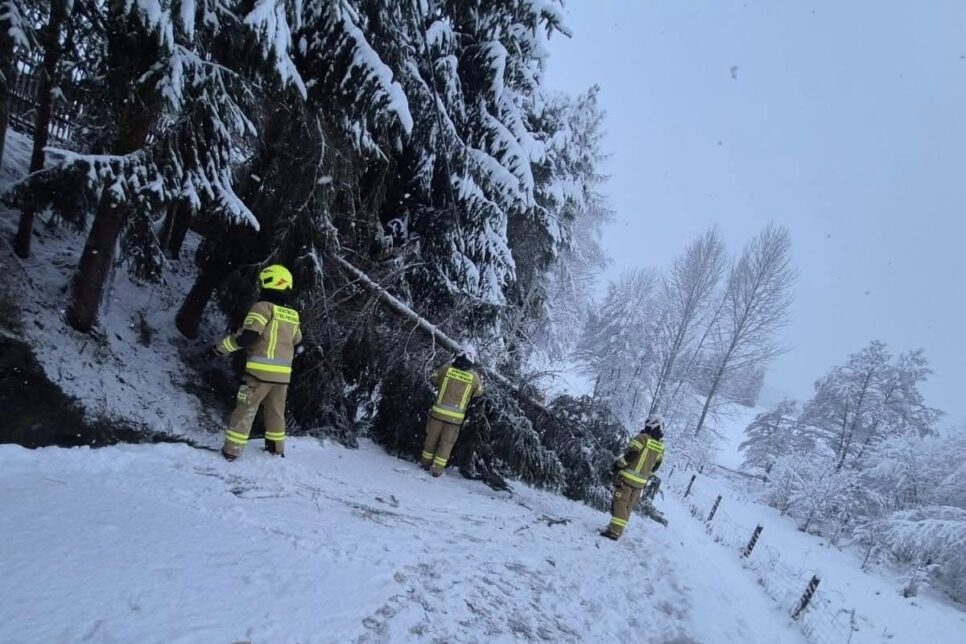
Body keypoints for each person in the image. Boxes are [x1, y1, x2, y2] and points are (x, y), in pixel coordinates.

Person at [209, 264, 302, 461]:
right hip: (282, 376)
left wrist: (218, 349)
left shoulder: (262, 307)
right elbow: (297, 342)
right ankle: (276, 450)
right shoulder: (293, 315)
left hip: (258, 374)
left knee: (245, 410)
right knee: (276, 413)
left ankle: (231, 451)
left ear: (267, 282)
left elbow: (246, 338)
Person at [420, 347, 484, 477]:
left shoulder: (446, 369)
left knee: (431, 439)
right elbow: (479, 393)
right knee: (446, 443)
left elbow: (433, 380)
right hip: (455, 419)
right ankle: (437, 469)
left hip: (438, 413)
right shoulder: (474, 378)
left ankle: (425, 462)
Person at [601, 415, 665, 540]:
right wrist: (646, 475)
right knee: (628, 506)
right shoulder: (661, 446)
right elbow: (656, 466)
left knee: (620, 503)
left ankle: (614, 532)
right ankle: (617, 529)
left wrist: (617, 466)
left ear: (651, 424)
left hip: (627, 479)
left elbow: (631, 455)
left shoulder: (641, 438)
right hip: (640, 483)